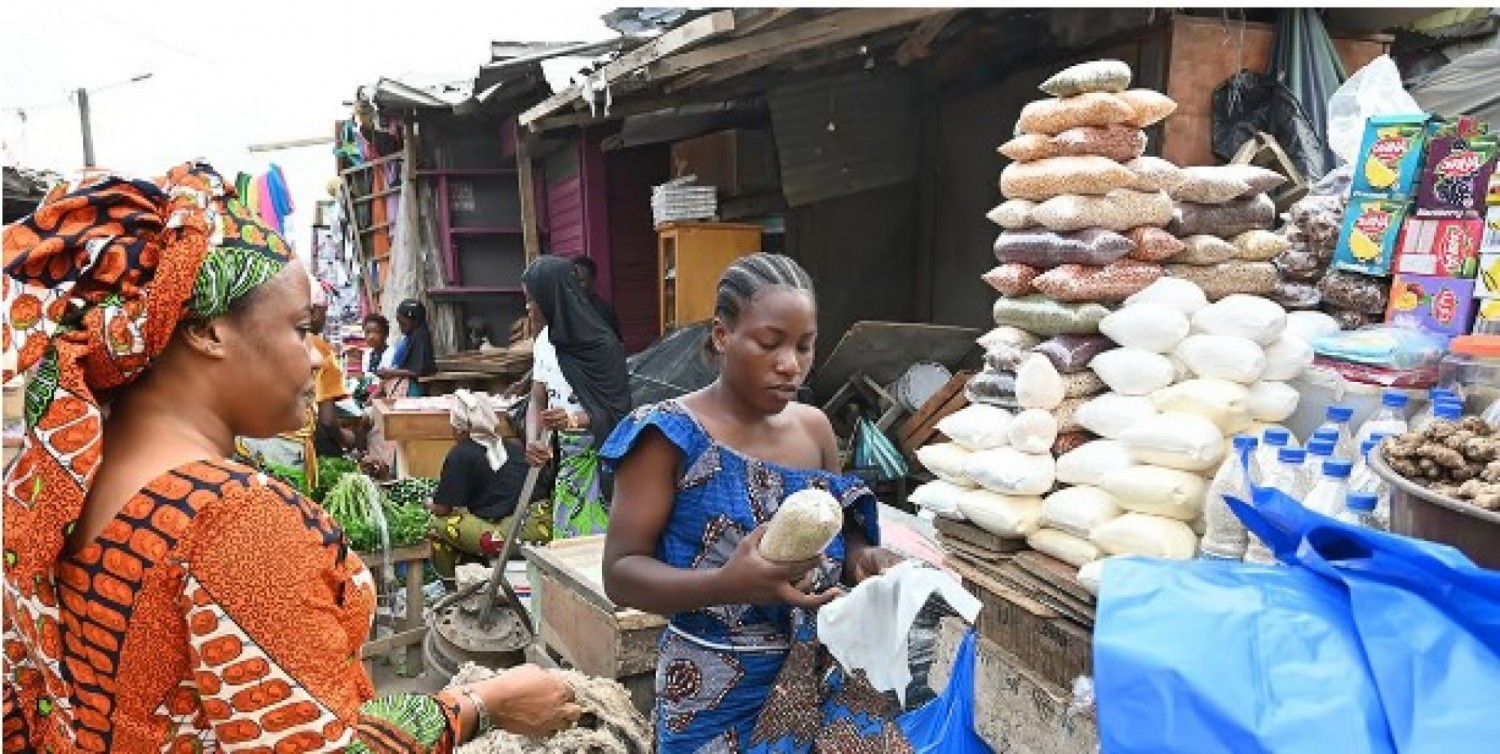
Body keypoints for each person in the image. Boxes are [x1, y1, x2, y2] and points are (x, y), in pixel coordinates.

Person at [0, 162, 580, 752]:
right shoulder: (232, 519)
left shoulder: (71, 478)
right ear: (206, 331)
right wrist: (484, 704)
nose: (318, 358)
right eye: (302, 329)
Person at [600, 253, 907, 753]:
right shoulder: (667, 435)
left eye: (805, 346)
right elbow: (620, 574)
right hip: (709, 692)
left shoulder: (814, 428)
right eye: (769, 344)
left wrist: (860, 558)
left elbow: (835, 530)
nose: (791, 364)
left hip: (814, 679)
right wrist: (726, 584)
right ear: (722, 336)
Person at [521, 256, 631, 540]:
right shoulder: (545, 342)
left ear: (551, 298)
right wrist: (533, 439)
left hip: (600, 462)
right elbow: (537, 399)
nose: (528, 308)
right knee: (567, 544)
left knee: (594, 548)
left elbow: (620, 413)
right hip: (566, 462)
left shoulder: (602, 346)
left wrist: (572, 419)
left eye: (532, 300)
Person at [428, 389, 532, 588]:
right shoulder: (514, 448)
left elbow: (443, 509)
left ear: (460, 429)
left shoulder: (461, 453)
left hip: (501, 536)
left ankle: (450, 585)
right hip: (526, 529)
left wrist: (428, 504)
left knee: (436, 525)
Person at [378, 298, 437, 396]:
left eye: (403, 324)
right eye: (399, 323)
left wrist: (391, 372)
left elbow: (419, 370)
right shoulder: (410, 337)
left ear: (415, 321)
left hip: (413, 388)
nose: (400, 328)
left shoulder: (420, 338)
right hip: (407, 385)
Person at [571, 256, 623, 343]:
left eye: (581, 281)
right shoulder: (562, 308)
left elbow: (616, 344)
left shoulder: (603, 312)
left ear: (592, 280)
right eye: (573, 280)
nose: (575, 285)